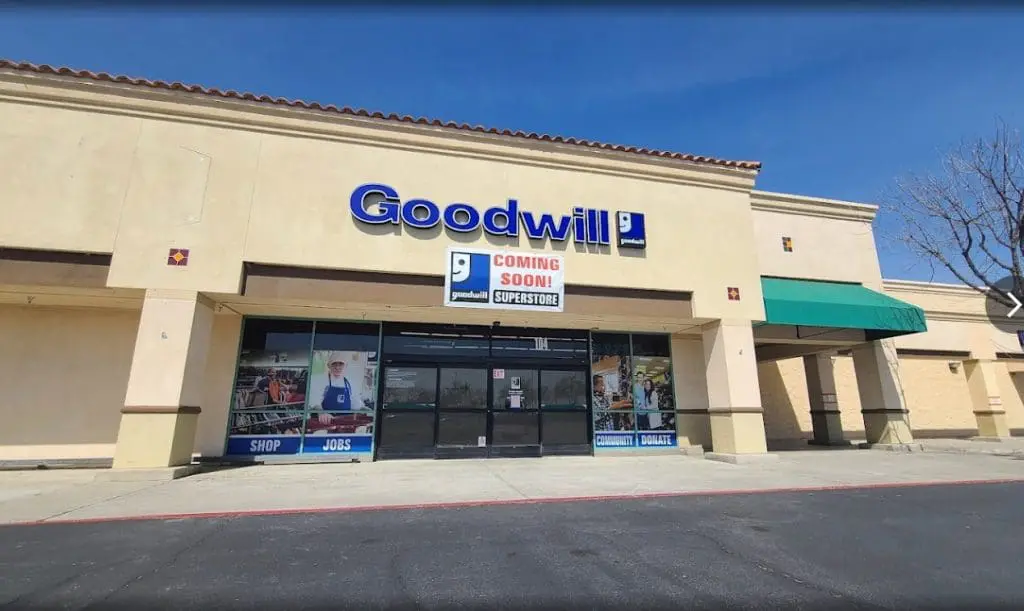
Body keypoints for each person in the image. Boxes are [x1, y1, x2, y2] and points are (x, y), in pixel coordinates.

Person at [316, 352, 362, 425]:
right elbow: (314, 403)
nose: (337, 367)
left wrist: (366, 410)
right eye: (334, 364)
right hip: (326, 424)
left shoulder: (351, 384)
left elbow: (357, 406)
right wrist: (321, 412)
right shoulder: (321, 382)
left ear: (346, 366)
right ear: (329, 366)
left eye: (341, 364)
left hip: (345, 424)